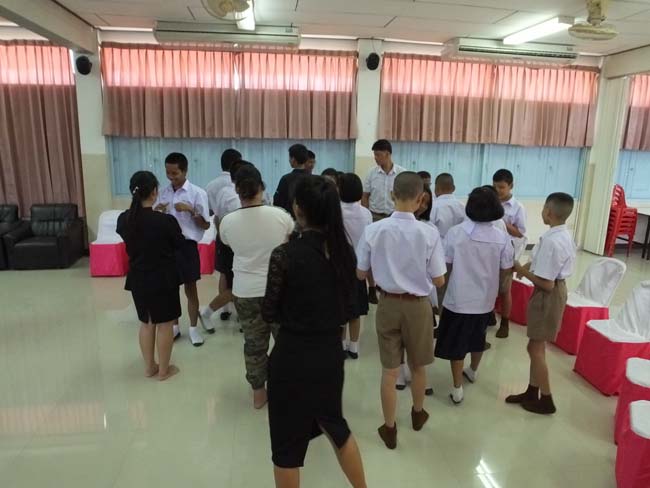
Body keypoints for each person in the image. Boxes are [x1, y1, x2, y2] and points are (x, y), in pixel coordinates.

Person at [262, 176, 367, 488]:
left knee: (286, 445)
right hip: (329, 354)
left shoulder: (284, 254)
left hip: (291, 355)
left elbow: (268, 311)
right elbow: (350, 308)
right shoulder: (344, 253)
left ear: (298, 208)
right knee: (336, 426)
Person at [356, 172, 446, 450]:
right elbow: (439, 280)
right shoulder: (429, 233)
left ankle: (389, 427)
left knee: (390, 371)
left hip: (387, 304)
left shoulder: (374, 230)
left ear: (392, 195)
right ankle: (418, 414)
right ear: (422, 199)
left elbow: (360, 274)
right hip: (418, 307)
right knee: (418, 366)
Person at [220, 164, 295, 409]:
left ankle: (258, 394)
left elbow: (228, 244)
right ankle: (286, 388)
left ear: (237, 190)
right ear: (262, 187)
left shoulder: (228, 222)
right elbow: (290, 240)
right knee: (285, 343)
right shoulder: (281, 216)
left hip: (245, 291)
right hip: (279, 290)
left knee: (254, 344)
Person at [434, 187, 514, 405]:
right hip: (485, 300)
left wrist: (441, 291)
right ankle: (473, 370)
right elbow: (506, 268)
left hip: (458, 299)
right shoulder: (501, 237)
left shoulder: (456, 233)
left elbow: (446, 265)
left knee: (457, 343)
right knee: (479, 337)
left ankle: (457, 388)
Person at [508, 193, 576, 415]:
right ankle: (532, 391)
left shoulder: (552, 241)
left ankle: (546, 399)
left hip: (548, 296)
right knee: (536, 346)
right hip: (552, 292)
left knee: (535, 348)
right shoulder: (560, 234)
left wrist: (521, 269)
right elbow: (543, 263)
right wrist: (529, 266)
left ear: (549, 211)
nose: (542, 212)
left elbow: (547, 284)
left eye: (544, 208)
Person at [117, 171, 183, 381]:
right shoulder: (165, 221)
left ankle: (149, 367)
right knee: (165, 324)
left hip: (138, 278)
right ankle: (163, 370)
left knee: (146, 323)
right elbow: (179, 244)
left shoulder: (124, 219)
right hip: (163, 278)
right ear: (154, 192)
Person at [154, 152, 210, 347]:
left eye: (175, 173)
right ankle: (175, 326)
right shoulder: (163, 193)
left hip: (186, 246)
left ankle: (193, 328)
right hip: (166, 246)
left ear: (185, 171)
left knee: (190, 288)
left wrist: (190, 210)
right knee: (170, 289)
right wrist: (158, 211)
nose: (171, 177)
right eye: (168, 173)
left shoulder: (197, 193)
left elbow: (206, 225)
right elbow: (155, 218)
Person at [200, 160, 253, 327]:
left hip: (226, 239)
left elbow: (216, 217)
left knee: (227, 276)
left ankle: (229, 311)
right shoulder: (235, 195)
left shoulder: (224, 191)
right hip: (234, 243)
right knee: (236, 283)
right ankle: (208, 312)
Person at [362, 139, 406, 305]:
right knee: (373, 253)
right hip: (375, 217)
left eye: (378, 155)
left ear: (387, 154)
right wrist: (366, 215)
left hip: (395, 218)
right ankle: (372, 287)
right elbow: (365, 196)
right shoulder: (371, 174)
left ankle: (389, 285)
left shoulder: (401, 173)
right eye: (374, 155)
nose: (375, 158)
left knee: (394, 253)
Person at [339, 173, 373, 360]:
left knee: (340, 308)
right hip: (359, 266)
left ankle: (341, 345)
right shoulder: (366, 213)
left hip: (339, 266)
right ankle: (354, 347)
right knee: (356, 309)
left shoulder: (335, 211)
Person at [491, 169, 527, 340]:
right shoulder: (490, 201)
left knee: (505, 289)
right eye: (495, 186)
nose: (497, 190)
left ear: (511, 186)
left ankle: (505, 323)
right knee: (488, 286)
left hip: (507, 253)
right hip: (489, 251)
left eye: (501, 187)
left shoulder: (518, 207)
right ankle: (489, 315)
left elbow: (520, 233)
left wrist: (502, 222)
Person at [430, 173, 467, 314]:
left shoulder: (434, 206)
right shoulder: (462, 206)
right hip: (459, 252)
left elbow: (429, 230)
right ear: (454, 188)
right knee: (455, 284)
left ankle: (438, 312)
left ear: (436, 188)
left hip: (439, 252)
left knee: (439, 285)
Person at [274, 144, 310, 217]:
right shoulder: (314, 179)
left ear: (293, 159)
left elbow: (277, 202)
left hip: (290, 219)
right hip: (310, 219)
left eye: (289, 158)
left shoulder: (286, 179)